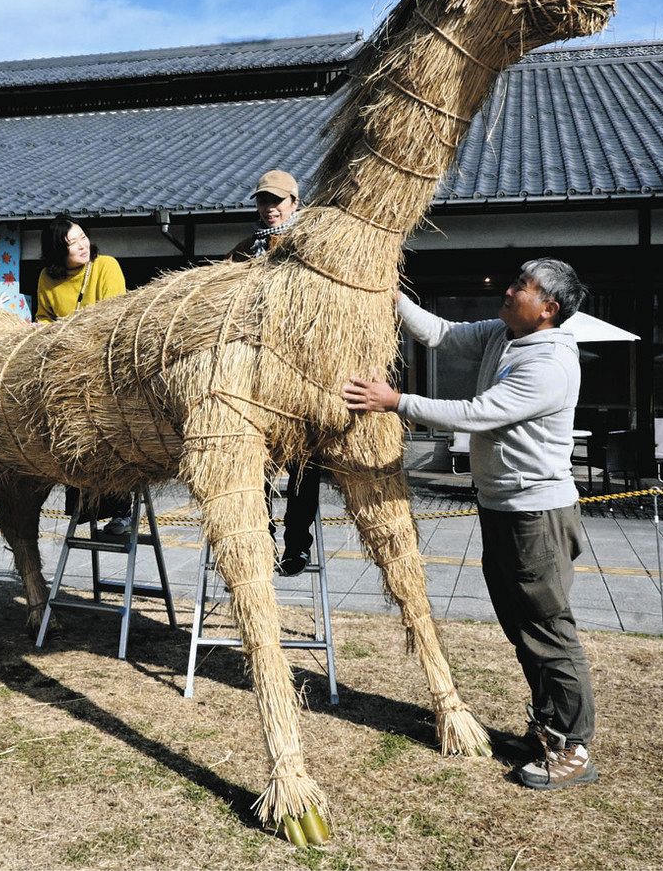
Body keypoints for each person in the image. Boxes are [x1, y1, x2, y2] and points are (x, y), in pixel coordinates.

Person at [342, 259, 597, 791]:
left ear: (547, 308)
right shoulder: (504, 334)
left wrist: (395, 402)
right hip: (503, 506)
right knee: (522, 626)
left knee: (547, 628)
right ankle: (547, 730)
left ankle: (573, 747)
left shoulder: (550, 362)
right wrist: (389, 293)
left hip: (535, 514)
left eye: (521, 286)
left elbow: (478, 412)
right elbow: (440, 333)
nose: (509, 290)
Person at [228, 169, 320, 576]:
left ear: (294, 203)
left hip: (301, 368)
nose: (270, 209)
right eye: (264, 201)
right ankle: (262, 540)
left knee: (304, 462)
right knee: (257, 462)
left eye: (277, 201)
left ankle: (297, 545)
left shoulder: (310, 243)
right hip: (255, 371)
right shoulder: (244, 249)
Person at [35, 215, 132, 537]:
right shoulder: (47, 278)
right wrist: (42, 330)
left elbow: (112, 316)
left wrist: (67, 334)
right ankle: (86, 507)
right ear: (56, 251)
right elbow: (44, 318)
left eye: (82, 237)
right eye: (71, 243)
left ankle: (122, 511)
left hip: (102, 364)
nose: (81, 245)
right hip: (67, 370)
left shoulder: (105, 266)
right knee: (70, 435)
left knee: (109, 437)